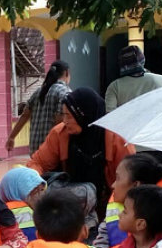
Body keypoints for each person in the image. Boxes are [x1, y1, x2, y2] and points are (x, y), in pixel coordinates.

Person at [27, 87, 134, 223]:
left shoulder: (117, 139)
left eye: (69, 116)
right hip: (69, 205)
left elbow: (130, 180)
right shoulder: (60, 133)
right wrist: (36, 186)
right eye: (63, 114)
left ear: (83, 115)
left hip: (109, 206)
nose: (64, 121)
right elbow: (37, 163)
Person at [95, 153, 162, 248]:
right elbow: (100, 246)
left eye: (118, 178)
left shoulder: (161, 214)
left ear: (136, 185)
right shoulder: (114, 213)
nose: (113, 185)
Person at [104, 46, 162, 170]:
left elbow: (111, 119)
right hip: (161, 146)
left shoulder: (115, 87)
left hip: (131, 149)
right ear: (143, 60)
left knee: (137, 188)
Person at [6, 60, 71, 154]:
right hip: (53, 152)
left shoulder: (38, 92)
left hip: (35, 152)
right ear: (67, 73)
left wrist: (11, 137)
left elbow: (24, 115)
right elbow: (59, 124)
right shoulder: (65, 92)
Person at [0, 167, 47, 241]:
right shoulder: (12, 211)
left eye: (42, 190)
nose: (40, 196)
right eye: (35, 191)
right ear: (16, 191)